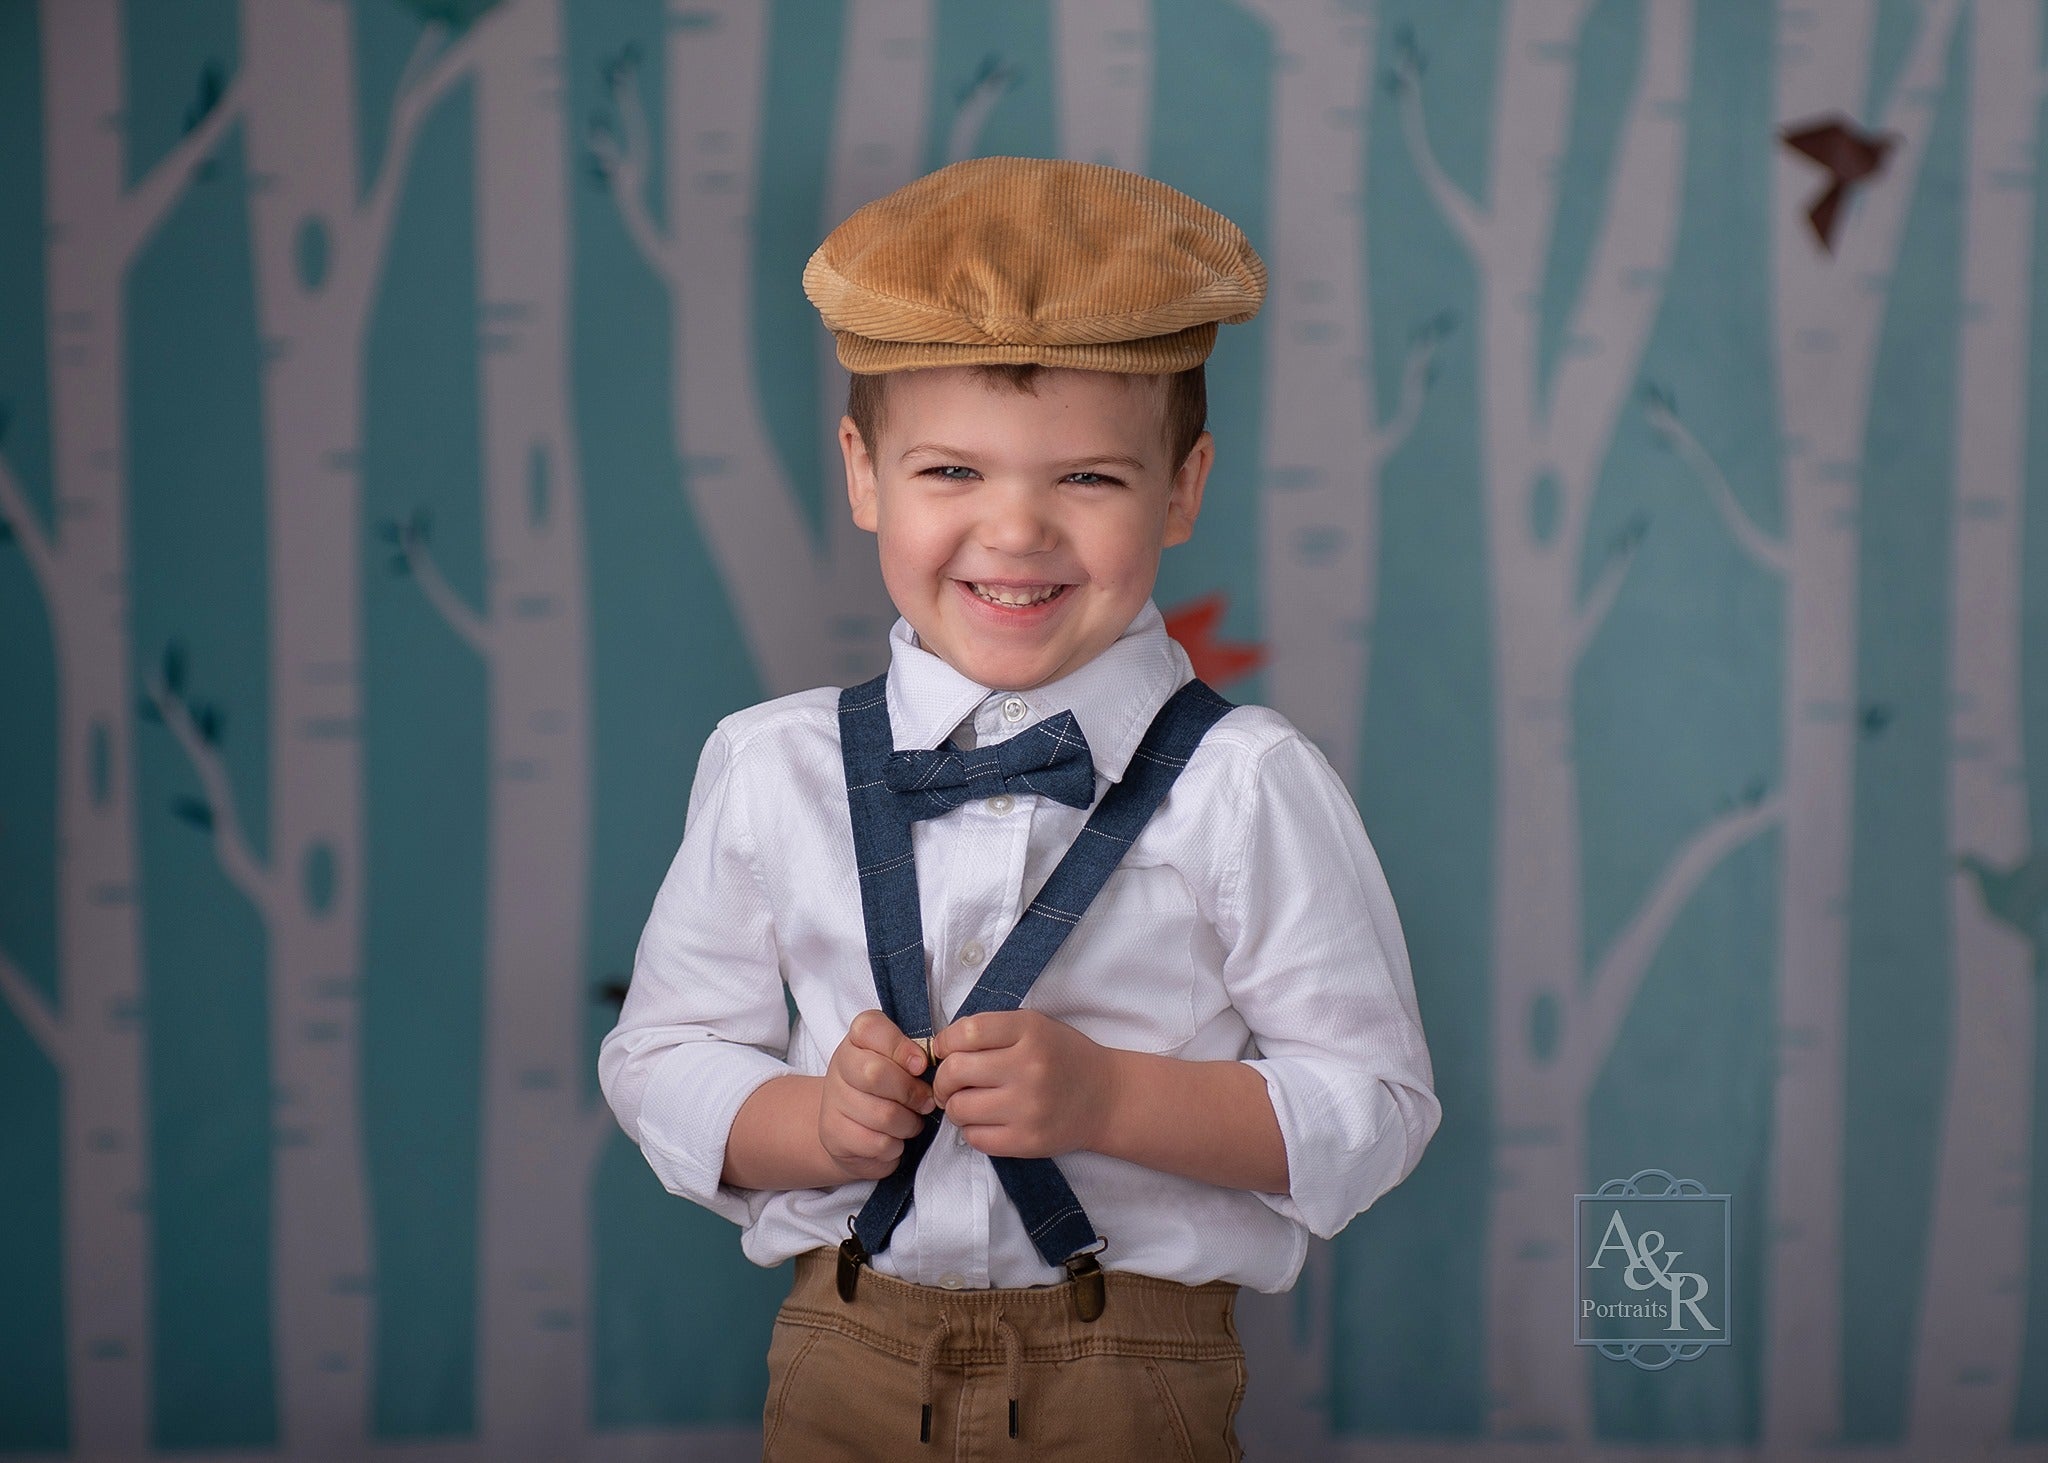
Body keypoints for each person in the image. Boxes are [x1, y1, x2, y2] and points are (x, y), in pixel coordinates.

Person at [598, 156, 1439, 1461]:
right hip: (845, 1352)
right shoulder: (773, 768)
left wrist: (1111, 1099)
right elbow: (659, 1061)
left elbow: (1374, 1106)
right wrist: (809, 1121)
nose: (1017, 531)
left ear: (1184, 488)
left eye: (1089, 480)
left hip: (1126, 1373)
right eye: (951, 473)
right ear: (863, 472)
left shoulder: (1247, 785)